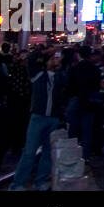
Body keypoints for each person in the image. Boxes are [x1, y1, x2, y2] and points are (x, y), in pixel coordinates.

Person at [9, 49, 68, 191]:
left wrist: (60, 62)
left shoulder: (61, 77)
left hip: (53, 118)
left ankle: (40, 181)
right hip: (38, 117)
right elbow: (31, 58)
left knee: (48, 152)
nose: (54, 60)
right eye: (52, 59)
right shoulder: (38, 75)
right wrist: (46, 51)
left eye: (57, 58)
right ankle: (18, 184)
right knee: (29, 151)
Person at [65, 44, 101, 156]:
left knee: (73, 130)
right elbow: (97, 86)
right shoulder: (95, 69)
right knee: (87, 131)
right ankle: (85, 157)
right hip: (89, 101)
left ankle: (72, 155)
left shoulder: (74, 69)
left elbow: (68, 86)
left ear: (79, 55)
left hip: (75, 100)